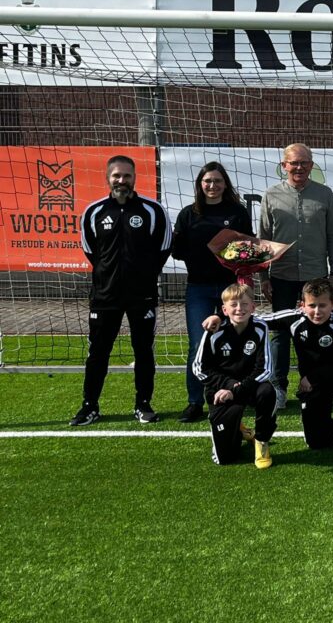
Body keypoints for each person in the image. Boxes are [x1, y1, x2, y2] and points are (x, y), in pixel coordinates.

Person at [70, 154, 172, 427]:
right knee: (98, 353)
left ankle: (143, 404)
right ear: (108, 178)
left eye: (127, 175)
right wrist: (109, 275)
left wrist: (142, 275)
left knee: (143, 351)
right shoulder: (94, 212)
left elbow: (163, 248)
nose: (121, 180)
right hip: (105, 296)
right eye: (116, 175)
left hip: (142, 295)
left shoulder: (153, 210)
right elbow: (91, 251)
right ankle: (89, 406)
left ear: (134, 178)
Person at [259, 143, 333, 410]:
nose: (299, 167)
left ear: (311, 165)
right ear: (284, 165)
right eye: (294, 162)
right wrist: (263, 278)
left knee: (317, 333)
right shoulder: (271, 195)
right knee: (280, 334)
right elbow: (263, 238)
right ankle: (279, 387)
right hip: (281, 275)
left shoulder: (324, 194)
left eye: (304, 162)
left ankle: (318, 384)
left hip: (315, 275)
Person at [171, 161, 253, 423]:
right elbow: (177, 251)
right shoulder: (188, 214)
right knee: (199, 344)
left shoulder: (238, 212)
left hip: (231, 290)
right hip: (199, 288)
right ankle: (195, 402)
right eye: (207, 181)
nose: (212, 185)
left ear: (225, 184)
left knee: (234, 342)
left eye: (217, 181)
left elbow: (249, 249)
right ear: (200, 184)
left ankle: (236, 394)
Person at [253, 278, 333, 468]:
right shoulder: (295, 318)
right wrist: (220, 317)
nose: (317, 311)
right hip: (313, 385)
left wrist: (313, 377)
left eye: (323, 305)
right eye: (312, 305)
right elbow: (258, 320)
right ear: (302, 305)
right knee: (316, 441)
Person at [192, 283, 277, 468]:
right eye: (234, 305)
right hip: (221, 390)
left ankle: (261, 440)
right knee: (225, 458)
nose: (240, 309)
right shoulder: (214, 330)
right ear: (224, 310)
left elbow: (266, 369)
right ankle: (237, 427)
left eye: (245, 304)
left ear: (253, 307)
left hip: (248, 387)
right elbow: (199, 368)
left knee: (268, 391)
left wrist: (238, 388)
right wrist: (229, 385)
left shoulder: (260, 327)